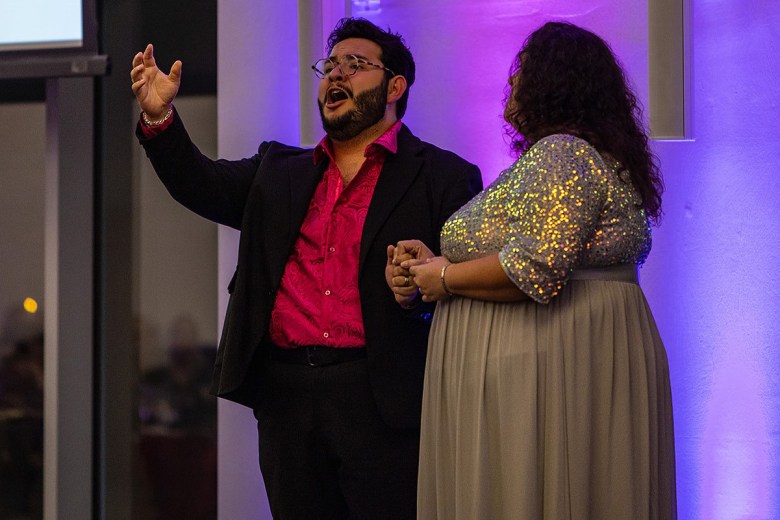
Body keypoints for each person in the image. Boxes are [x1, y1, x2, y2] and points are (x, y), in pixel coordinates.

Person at [131, 17, 482, 519]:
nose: (335, 74)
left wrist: (426, 277)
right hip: (287, 397)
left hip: (382, 395)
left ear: (395, 87)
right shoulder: (278, 170)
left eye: (355, 64)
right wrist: (160, 117)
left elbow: (464, 284)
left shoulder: (443, 177)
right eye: (330, 65)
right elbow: (200, 183)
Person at [389, 21, 676, 519]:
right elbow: (529, 251)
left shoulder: (563, 154)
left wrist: (444, 279)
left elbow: (535, 269)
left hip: (544, 365)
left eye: (521, 69)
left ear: (552, 81)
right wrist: (436, 265)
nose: (512, 80)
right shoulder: (575, 157)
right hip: (549, 357)